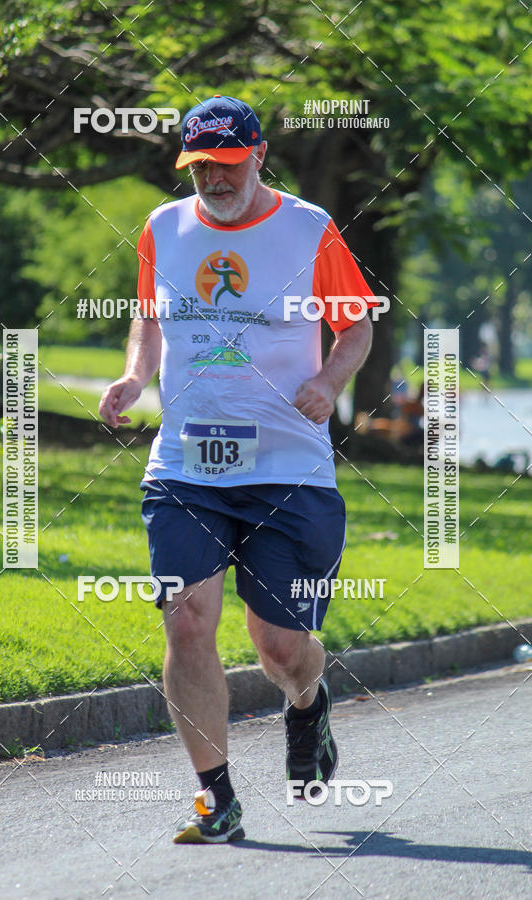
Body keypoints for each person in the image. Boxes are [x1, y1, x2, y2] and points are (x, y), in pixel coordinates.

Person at [99, 95, 377, 844]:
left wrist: (328, 385)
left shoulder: (309, 228)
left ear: (258, 155)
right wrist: (133, 376)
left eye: (226, 164)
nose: (213, 180)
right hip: (186, 463)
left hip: (287, 467)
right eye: (200, 167)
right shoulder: (163, 228)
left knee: (279, 648)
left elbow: (356, 324)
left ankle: (308, 697)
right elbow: (150, 316)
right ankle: (216, 798)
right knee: (186, 619)